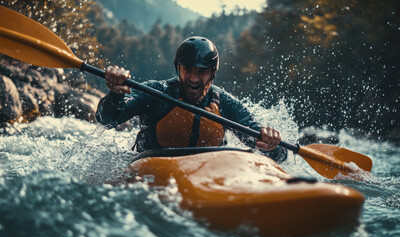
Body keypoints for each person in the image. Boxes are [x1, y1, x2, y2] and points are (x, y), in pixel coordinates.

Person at [96, 36, 286, 161]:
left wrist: (271, 146)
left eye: (202, 72)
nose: (194, 79)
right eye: (188, 70)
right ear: (178, 68)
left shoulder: (225, 103)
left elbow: (276, 155)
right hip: (153, 170)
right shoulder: (156, 93)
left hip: (207, 176)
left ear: (212, 74)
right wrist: (115, 94)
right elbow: (107, 120)